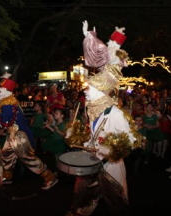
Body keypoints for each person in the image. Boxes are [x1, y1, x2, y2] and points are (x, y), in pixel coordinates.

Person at [66, 21, 142, 216]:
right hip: (92, 163)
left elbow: (133, 141)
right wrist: (76, 136)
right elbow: (91, 137)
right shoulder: (93, 110)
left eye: (89, 90)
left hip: (111, 166)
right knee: (82, 196)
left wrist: (111, 150)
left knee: (116, 203)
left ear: (102, 91)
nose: (86, 94)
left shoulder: (115, 114)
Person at [0, 73, 58, 190]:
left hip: (20, 136)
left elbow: (3, 124)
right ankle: (6, 177)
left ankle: (49, 176)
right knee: (6, 154)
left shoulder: (8, 106)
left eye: (0, 91)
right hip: (13, 134)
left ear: (7, 93)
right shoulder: (7, 102)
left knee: (28, 159)